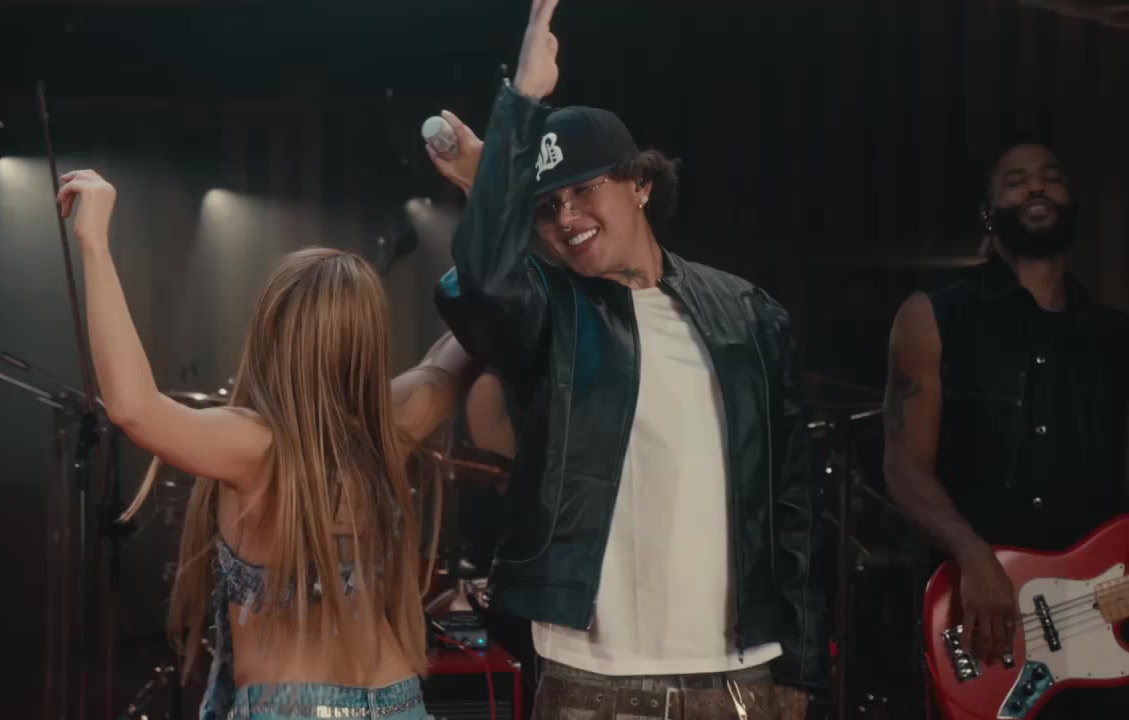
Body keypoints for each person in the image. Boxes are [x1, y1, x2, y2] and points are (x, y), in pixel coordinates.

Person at [427, 1, 827, 717]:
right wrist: (520, 105)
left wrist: (800, 667)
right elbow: (483, 278)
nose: (567, 218)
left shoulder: (748, 313)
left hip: (740, 673)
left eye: (585, 189)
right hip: (590, 675)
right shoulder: (550, 312)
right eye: (547, 207)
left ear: (640, 183)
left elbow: (792, 499)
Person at [56, 169, 476, 720]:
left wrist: (94, 245)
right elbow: (463, 343)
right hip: (398, 701)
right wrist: (489, 206)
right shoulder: (392, 425)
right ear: (369, 342)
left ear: (271, 332)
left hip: (297, 706)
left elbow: (135, 408)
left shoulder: (254, 445)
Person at [883, 141, 1129, 717]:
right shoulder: (933, 317)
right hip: (982, 627)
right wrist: (973, 556)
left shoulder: (1115, 338)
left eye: (1051, 176)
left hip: (1100, 632)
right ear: (988, 214)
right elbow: (903, 468)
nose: (1037, 186)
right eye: (1017, 181)